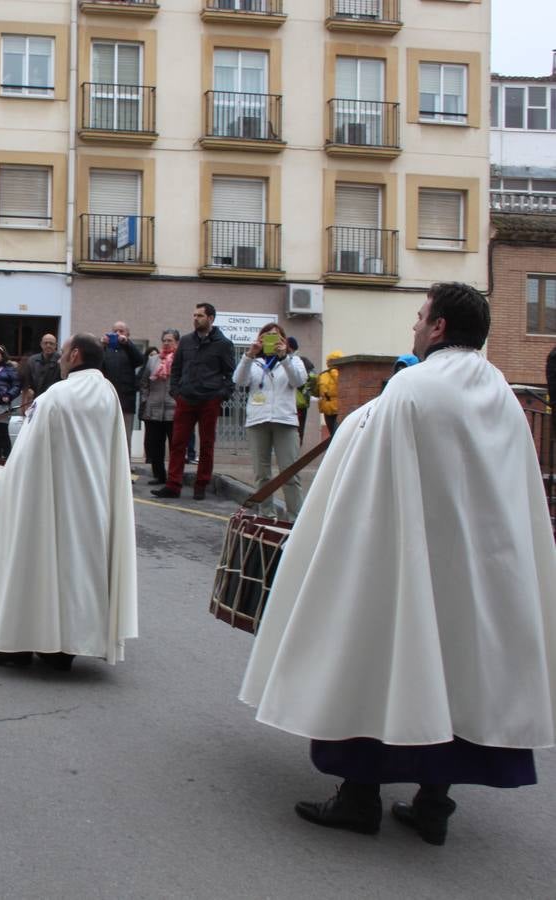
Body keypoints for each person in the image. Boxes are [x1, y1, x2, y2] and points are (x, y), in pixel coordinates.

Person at [241, 282, 556, 847]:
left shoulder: (412, 388)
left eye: (420, 315)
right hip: (478, 573)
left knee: (380, 660)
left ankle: (358, 798)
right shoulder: (503, 394)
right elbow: (517, 495)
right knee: (457, 671)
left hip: (404, 559)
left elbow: (364, 479)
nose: (414, 323)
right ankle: (433, 804)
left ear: (437, 328)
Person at [0, 333, 138, 672]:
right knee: (78, 572)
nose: (57, 358)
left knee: (35, 564)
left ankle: (17, 644)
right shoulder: (107, 393)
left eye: (62, 353)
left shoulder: (57, 394)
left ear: (74, 355)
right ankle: (63, 649)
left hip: (50, 496)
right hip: (93, 502)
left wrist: (11, 495)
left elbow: (26, 457)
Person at [152, 303, 235, 501]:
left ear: (211, 318)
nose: (195, 318)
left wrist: (220, 395)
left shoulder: (223, 344)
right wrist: (176, 392)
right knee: (178, 443)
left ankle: (201, 485)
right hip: (186, 399)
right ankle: (173, 485)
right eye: (194, 315)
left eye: (200, 315)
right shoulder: (187, 341)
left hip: (209, 400)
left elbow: (230, 374)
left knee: (206, 444)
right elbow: (177, 369)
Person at [234, 322, 305, 518]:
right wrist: (249, 355)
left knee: (290, 473)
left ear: (284, 340)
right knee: (262, 474)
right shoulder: (255, 363)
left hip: (285, 421)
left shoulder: (294, 361)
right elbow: (239, 381)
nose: (272, 340)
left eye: (277, 336)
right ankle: (266, 514)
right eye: (267, 336)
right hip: (258, 421)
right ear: (260, 339)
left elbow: (298, 381)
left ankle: (295, 518)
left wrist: (284, 359)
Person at [138, 329, 178, 485]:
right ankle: (159, 475)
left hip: (173, 409)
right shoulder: (153, 360)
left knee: (175, 446)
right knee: (155, 445)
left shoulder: (180, 359)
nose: (167, 343)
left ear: (177, 342)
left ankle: (174, 477)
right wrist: (145, 399)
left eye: (170, 340)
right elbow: (144, 383)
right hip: (153, 409)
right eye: (164, 340)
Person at [100, 321, 145, 442]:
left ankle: (125, 462)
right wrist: (101, 345)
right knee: (106, 438)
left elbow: (140, 360)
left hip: (126, 402)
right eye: (114, 331)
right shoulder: (105, 350)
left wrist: (128, 343)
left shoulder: (129, 350)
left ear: (127, 334)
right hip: (107, 400)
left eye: (121, 331)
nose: (117, 334)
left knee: (125, 439)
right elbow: (95, 365)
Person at [20, 333, 62, 410]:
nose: (48, 345)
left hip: (55, 402)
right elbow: (27, 380)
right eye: (45, 343)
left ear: (56, 345)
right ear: (41, 344)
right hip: (35, 400)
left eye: (51, 343)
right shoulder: (32, 360)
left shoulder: (61, 361)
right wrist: (28, 389)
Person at [289, 337, 317, 443]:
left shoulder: (283, 360)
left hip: (292, 401)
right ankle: (296, 451)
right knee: (299, 430)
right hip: (301, 402)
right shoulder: (304, 361)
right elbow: (314, 377)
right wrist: (306, 391)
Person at [317, 351, 343, 436]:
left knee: (336, 434)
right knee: (333, 434)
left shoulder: (342, 373)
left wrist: (333, 372)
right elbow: (318, 391)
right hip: (327, 410)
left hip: (338, 409)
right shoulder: (323, 375)